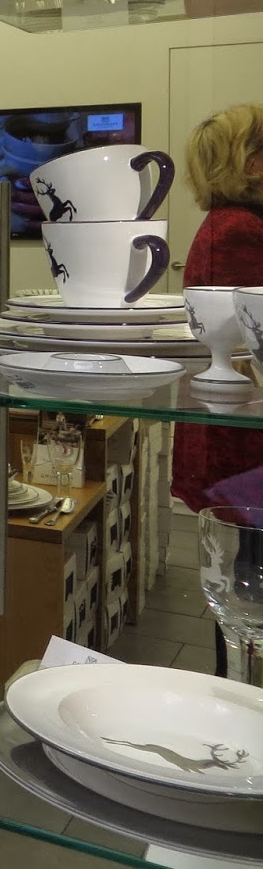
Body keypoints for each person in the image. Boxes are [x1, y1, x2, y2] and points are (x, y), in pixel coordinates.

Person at [174, 104, 263, 676]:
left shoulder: (229, 225)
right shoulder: (240, 230)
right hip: (242, 443)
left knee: (245, 580)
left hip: (232, 429)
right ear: (251, 162)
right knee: (249, 586)